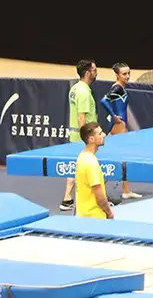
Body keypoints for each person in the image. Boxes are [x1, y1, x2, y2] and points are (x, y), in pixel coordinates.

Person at [61, 59, 99, 211]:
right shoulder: (83, 92)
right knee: (90, 168)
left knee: (76, 167)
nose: (97, 73)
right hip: (86, 137)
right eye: (95, 70)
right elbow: (81, 117)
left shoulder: (75, 88)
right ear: (88, 72)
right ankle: (92, 198)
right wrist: (87, 139)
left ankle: (67, 199)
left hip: (75, 136)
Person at [101, 62, 140, 200]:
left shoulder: (120, 87)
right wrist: (113, 116)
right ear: (117, 75)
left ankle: (126, 190)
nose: (128, 76)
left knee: (124, 158)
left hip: (120, 125)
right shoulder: (117, 88)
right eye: (124, 74)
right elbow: (104, 100)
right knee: (117, 158)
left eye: (129, 73)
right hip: (119, 125)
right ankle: (97, 189)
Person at [75, 122, 114, 219]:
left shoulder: (82, 156)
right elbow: (100, 197)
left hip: (83, 215)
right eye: (100, 133)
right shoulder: (91, 162)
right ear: (91, 139)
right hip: (95, 218)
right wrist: (109, 213)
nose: (104, 135)